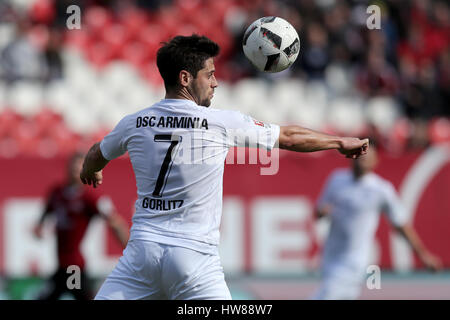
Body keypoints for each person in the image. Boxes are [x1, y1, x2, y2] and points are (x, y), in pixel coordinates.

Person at [80, 34, 369, 300]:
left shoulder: (134, 122)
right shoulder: (220, 123)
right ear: (185, 78)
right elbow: (289, 137)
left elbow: (96, 153)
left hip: (142, 255)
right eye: (210, 75)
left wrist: (91, 170)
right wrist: (338, 142)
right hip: (194, 260)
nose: (215, 82)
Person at [311, 146, 442, 300]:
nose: (362, 159)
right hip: (330, 256)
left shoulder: (381, 190)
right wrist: (322, 212)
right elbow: (318, 212)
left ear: (375, 161)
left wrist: (423, 255)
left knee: (327, 296)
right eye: (360, 155)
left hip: (355, 260)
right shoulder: (337, 179)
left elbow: (401, 224)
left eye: (367, 157)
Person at [34, 152, 129, 300]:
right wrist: (39, 226)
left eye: (79, 166)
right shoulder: (57, 193)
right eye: (72, 165)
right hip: (61, 267)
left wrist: (128, 249)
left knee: (78, 295)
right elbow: (47, 211)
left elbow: (114, 220)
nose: (74, 169)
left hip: (74, 267)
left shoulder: (89, 197)